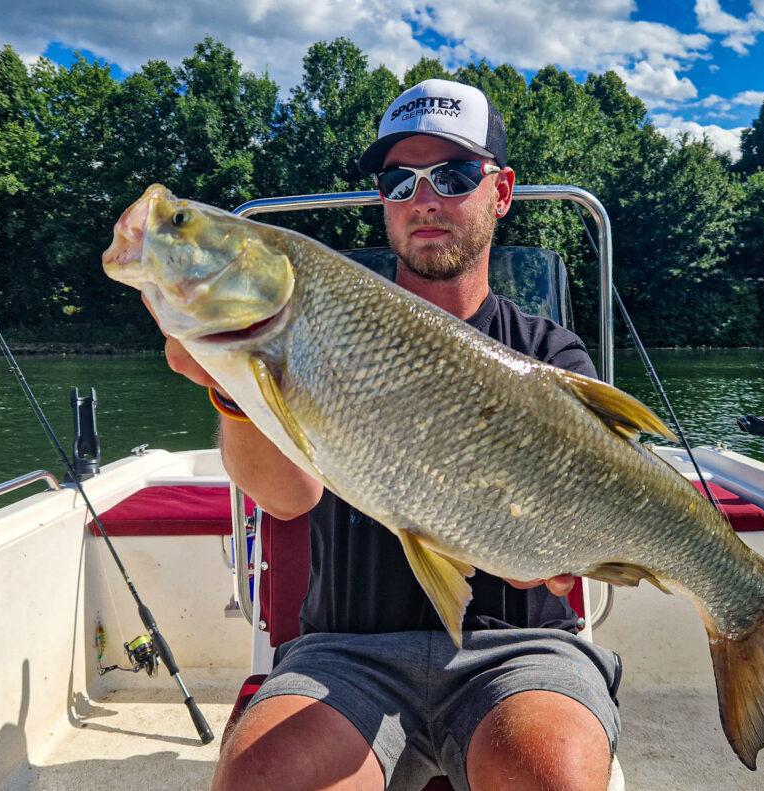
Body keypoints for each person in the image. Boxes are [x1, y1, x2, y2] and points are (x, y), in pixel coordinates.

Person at [153, 78, 621, 791]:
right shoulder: (309, 328)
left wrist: (570, 550)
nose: (424, 199)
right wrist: (233, 386)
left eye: (454, 175)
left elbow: (584, 534)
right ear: (383, 201)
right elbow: (284, 497)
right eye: (400, 181)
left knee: (550, 774)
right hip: (345, 651)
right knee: (261, 778)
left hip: (520, 649)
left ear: (501, 191)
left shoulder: (551, 357)